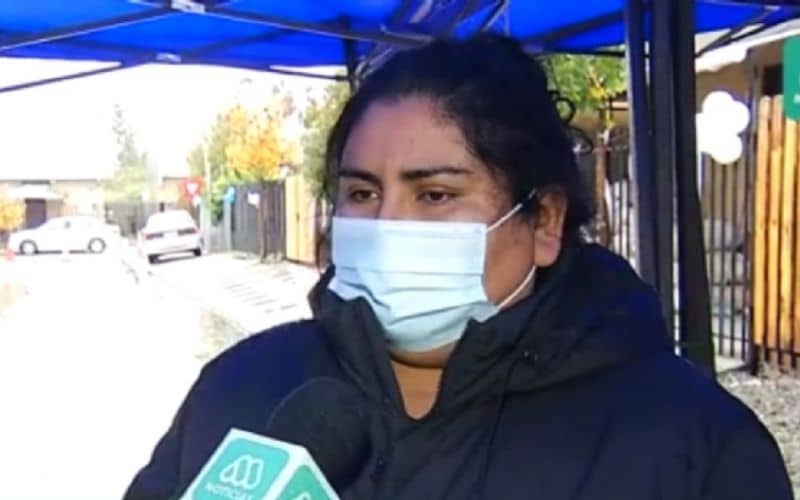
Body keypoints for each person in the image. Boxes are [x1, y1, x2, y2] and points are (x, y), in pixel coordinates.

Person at [125, 35, 793, 500]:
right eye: (362, 193)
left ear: (544, 222)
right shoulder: (241, 390)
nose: (387, 227)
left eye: (435, 195)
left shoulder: (693, 445)